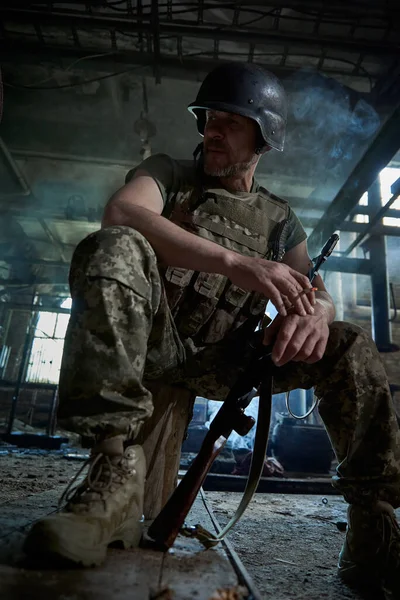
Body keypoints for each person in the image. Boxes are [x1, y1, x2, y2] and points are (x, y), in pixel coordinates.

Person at [24, 62, 400, 594]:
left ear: (264, 136)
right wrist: (239, 264)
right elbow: (123, 214)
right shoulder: (170, 174)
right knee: (112, 247)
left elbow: (314, 292)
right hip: (153, 341)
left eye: (230, 121)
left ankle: (373, 526)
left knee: (350, 344)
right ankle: (111, 477)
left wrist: (318, 312)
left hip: (225, 361)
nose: (211, 131)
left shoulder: (279, 219)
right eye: (208, 118)